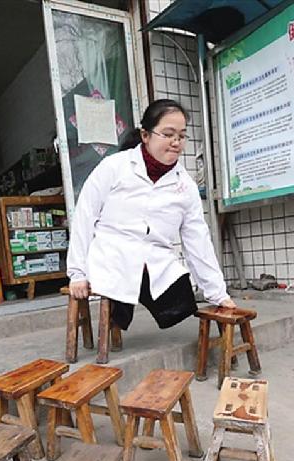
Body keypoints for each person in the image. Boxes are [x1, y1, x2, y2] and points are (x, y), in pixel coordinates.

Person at [66, 99, 236, 331]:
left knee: (182, 301)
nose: (176, 142)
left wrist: (218, 294)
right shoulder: (114, 167)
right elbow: (84, 217)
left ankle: (127, 306)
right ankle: (117, 316)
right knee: (121, 286)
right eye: (168, 134)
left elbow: (198, 240)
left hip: (157, 259)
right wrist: (77, 273)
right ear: (146, 135)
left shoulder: (184, 185)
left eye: (182, 136)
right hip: (111, 256)